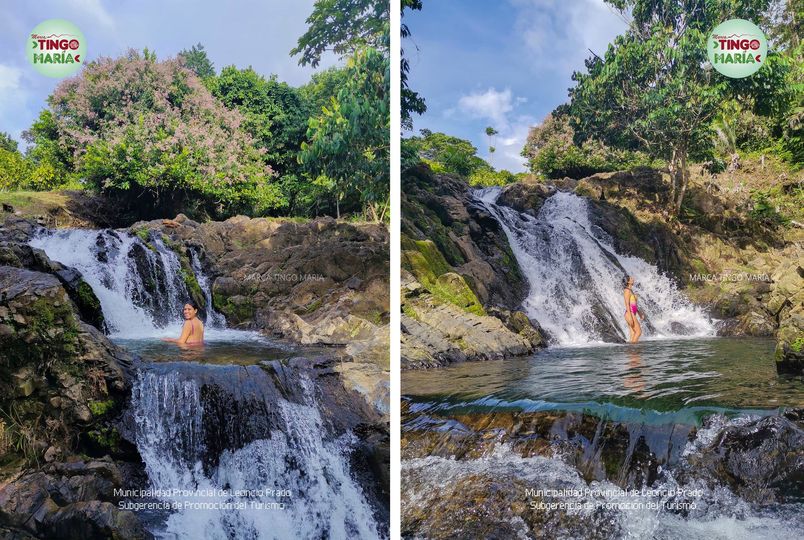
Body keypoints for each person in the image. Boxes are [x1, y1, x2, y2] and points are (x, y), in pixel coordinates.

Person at [622, 276, 644, 343]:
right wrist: (630, 316)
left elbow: (633, 304)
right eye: (631, 279)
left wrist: (639, 313)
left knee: (633, 334)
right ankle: (633, 349)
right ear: (628, 281)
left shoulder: (630, 290)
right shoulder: (627, 291)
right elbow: (627, 304)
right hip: (629, 313)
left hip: (632, 313)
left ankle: (631, 352)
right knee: (638, 332)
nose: (633, 279)